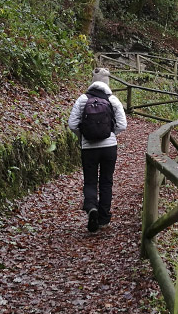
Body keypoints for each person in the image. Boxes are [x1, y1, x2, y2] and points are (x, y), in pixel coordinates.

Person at [68, 68, 127, 232]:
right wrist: (110, 134)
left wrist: (83, 136)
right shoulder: (113, 100)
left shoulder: (82, 99)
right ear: (107, 82)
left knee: (90, 180)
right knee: (106, 181)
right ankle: (103, 218)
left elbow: (72, 124)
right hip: (109, 147)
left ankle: (91, 207)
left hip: (88, 148)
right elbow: (123, 125)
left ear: (92, 81)